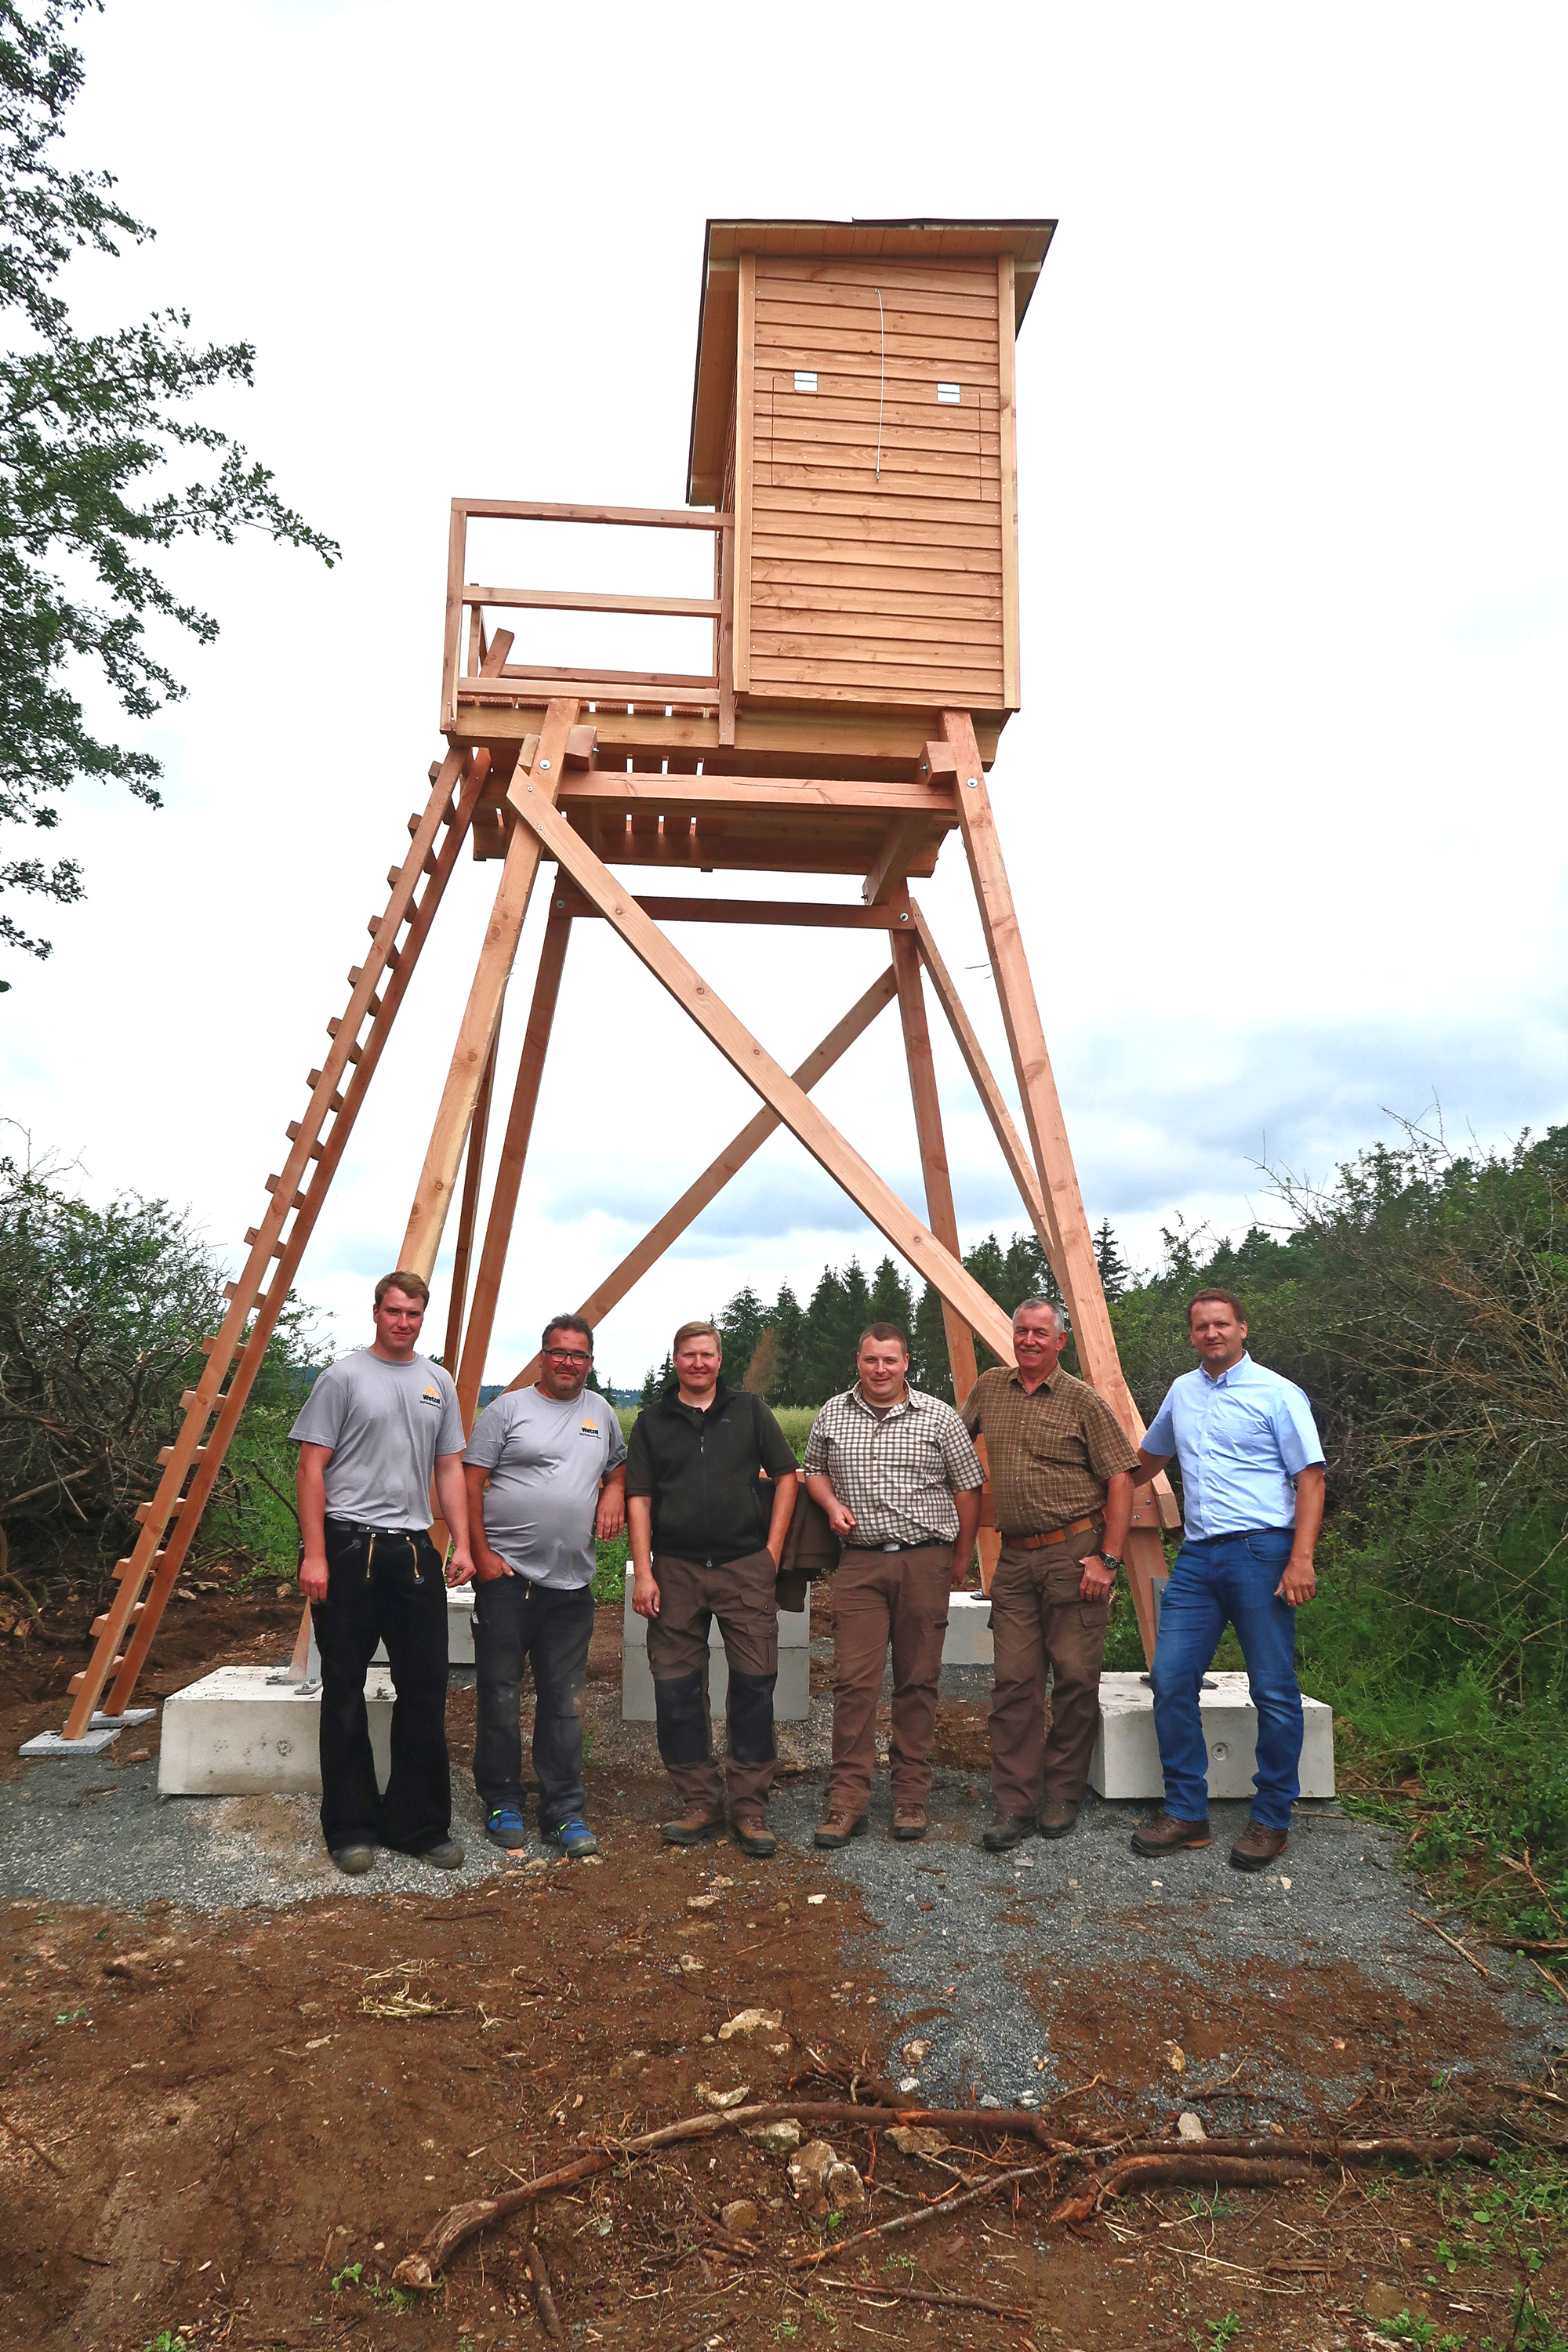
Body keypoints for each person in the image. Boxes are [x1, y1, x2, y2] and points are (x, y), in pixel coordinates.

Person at [1128, 1288, 1326, 1871]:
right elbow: (1148, 1459)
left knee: (1273, 1689)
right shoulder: (1182, 1392)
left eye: (1221, 1324)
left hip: (1264, 1552)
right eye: (1200, 1327)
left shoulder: (1277, 1393)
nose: (1211, 1334)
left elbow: (1310, 1479)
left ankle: (1271, 1819)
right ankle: (1187, 1812)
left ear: (1242, 1328)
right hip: (1198, 1555)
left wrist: (1302, 1557)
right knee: (1169, 1678)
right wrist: (1094, 1491)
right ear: (1192, 1336)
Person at [292, 1271, 473, 1875]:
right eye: (394, 1311)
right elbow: (311, 1468)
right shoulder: (343, 1377)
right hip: (348, 1547)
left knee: (424, 1688)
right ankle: (351, 1828)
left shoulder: (436, 1382)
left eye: (414, 1314)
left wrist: (463, 1544)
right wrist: (314, 1555)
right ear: (376, 1313)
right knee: (343, 1688)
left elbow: (449, 1469)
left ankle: (418, 1825)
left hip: (414, 1551)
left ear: (423, 1318)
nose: (404, 1322)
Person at [961, 1297, 1138, 1849]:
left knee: (1076, 1678)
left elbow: (1121, 1480)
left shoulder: (1083, 1401)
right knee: (1014, 1681)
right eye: (1022, 1331)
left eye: (1041, 1333)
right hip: (1014, 1559)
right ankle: (1015, 1802)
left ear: (1060, 1342)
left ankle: (1062, 1793)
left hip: (1075, 1552)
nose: (1029, 1340)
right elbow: (948, 1442)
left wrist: (1108, 1560)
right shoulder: (991, 1388)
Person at [803, 1323, 985, 1848]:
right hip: (859, 1565)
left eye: (890, 1361)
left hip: (923, 1560)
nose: (879, 1370)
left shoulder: (938, 1416)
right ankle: (846, 1802)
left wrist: (959, 1555)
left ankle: (910, 1797)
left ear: (907, 1364)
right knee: (854, 1683)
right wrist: (831, 1503)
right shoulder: (833, 1413)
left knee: (918, 1680)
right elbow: (813, 1469)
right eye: (870, 1361)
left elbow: (968, 1486)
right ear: (857, 1362)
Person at [626, 1321, 799, 1857]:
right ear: (674, 1359)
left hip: (743, 1565)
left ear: (720, 1360)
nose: (697, 1363)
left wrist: (771, 1553)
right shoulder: (653, 1423)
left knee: (753, 1683)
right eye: (687, 1355)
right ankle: (699, 1800)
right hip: (674, 1568)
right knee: (676, 1688)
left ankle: (749, 1807)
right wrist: (644, 1569)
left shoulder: (749, 1412)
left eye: (706, 1355)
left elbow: (787, 1476)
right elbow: (638, 1497)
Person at [463, 1313, 626, 1860]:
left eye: (579, 1355)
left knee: (564, 1702)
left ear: (591, 1361)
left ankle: (563, 1810)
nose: (568, 1363)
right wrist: (481, 1554)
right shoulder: (508, 1409)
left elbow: (620, 1469)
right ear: (542, 1356)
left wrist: (612, 1491)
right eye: (559, 1352)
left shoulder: (600, 1412)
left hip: (570, 1587)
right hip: (508, 1580)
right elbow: (471, 1481)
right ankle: (503, 1800)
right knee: (501, 1694)